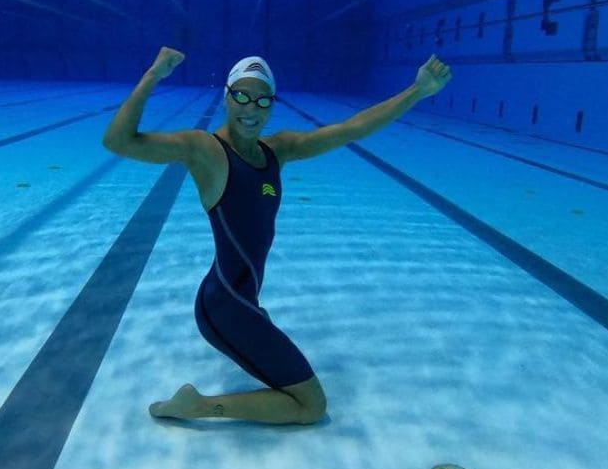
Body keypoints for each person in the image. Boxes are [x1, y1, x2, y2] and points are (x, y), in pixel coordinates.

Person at [102, 47, 452, 425]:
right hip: (225, 307)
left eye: (261, 100)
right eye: (241, 97)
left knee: (302, 395)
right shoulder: (205, 150)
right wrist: (153, 74)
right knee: (311, 407)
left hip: (236, 300)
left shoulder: (277, 150)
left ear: (271, 104)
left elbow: (352, 129)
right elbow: (118, 141)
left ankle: (206, 397)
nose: (250, 110)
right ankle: (199, 406)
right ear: (226, 96)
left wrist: (417, 91)